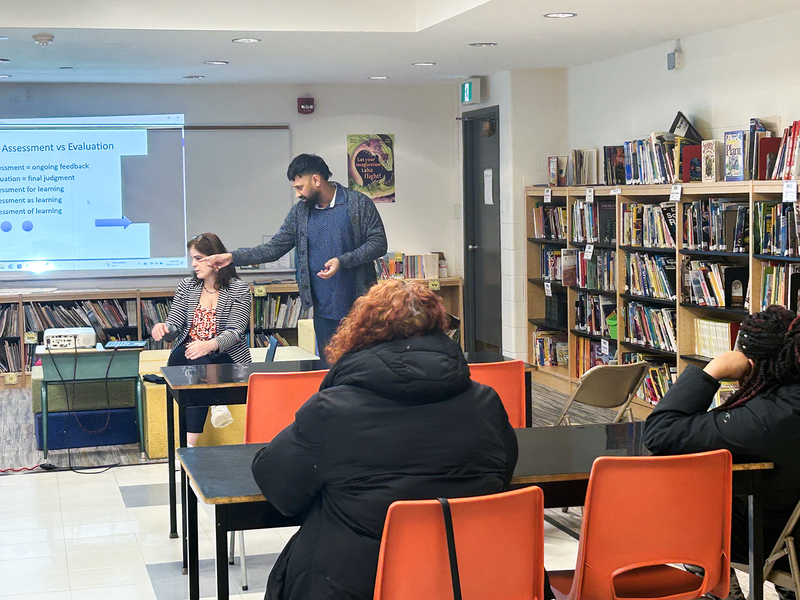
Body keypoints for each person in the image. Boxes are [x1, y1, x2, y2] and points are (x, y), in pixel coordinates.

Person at [250, 279, 519, 600]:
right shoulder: (486, 402)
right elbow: (503, 477)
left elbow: (279, 489)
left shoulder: (332, 410)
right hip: (466, 580)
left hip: (357, 584)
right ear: (438, 330)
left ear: (361, 331)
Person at [644, 305, 800, 600]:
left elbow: (661, 432)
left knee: (685, 499)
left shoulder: (764, 419)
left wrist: (711, 372)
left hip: (781, 542)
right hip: (791, 527)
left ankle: (722, 593)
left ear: (750, 363)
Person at [203, 154, 387, 364]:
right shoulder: (300, 213)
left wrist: (342, 261)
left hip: (360, 306)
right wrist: (232, 257)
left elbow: (379, 243)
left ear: (316, 180)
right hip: (324, 309)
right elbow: (274, 248)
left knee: (363, 366)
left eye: (300, 187)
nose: (298, 193)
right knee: (330, 369)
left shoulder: (358, 203)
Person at [151, 233, 252, 447]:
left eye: (198, 258)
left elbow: (235, 332)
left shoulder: (239, 290)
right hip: (187, 352)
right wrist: (164, 329)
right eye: (192, 259)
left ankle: (189, 446)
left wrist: (210, 345)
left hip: (224, 354)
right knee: (194, 356)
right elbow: (175, 324)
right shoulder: (187, 287)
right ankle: (215, 404)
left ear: (215, 260)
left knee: (198, 369)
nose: (194, 264)